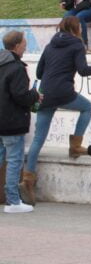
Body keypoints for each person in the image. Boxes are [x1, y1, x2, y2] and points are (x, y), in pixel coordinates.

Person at [20, 17, 91, 205]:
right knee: (87, 107)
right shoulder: (77, 45)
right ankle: (75, 145)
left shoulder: (50, 45)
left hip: (45, 94)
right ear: (75, 28)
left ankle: (28, 179)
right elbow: (83, 70)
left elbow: (39, 73)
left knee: (38, 140)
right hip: (63, 92)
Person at [0, 31, 40, 213]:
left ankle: (12, 200)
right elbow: (20, 96)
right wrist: (35, 95)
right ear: (17, 46)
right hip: (12, 121)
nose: (26, 46)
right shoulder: (16, 68)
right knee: (14, 160)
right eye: (24, 43)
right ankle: (13, 202)